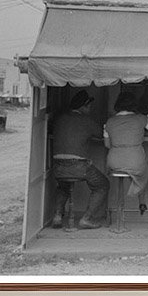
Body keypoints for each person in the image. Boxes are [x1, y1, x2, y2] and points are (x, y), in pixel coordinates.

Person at [50, 90, 108, 229]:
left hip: (57, 166)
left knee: (63, 186)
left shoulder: (60, 118)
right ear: (84, 106)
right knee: (102, 185)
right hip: (78, 166)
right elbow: (102, 135)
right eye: (89, 106)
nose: (90, 109)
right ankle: (86, 218)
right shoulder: (87, 121)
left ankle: (57, 216)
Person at [104, 91, 148, 215]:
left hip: (113, 161)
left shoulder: (109, 122)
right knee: (141, 169)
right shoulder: (141, 118)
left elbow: (107, 145)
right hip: (135, 160)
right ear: (134, 104)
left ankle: (142, 202)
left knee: (137, 170)